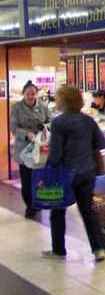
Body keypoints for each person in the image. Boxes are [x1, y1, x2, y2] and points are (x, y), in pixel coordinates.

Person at [42, 85, 105, 262]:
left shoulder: (58, 123)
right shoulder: (88, 121)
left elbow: (55, 154)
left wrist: (46, 171)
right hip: (87, 171)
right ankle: (98, 249)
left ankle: (59, 249)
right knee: (87, 210)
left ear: (61, 101)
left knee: (58, 210)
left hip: (65, 173)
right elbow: (101, 143)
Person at [10, 81, 52, 219]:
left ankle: (38, 202)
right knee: (27, 180)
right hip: (25, 149)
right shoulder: (16, 108)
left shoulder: (43, 106)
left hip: (40, 149)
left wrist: (45, 126)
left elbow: (50, 121)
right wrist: (26, 134)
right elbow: (13, 127)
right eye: (28, 94)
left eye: (33, 94)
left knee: (39, 179)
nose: (30, 97)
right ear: (23, 94)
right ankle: (30, 206)